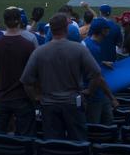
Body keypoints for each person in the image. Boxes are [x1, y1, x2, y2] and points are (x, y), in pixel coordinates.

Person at [20, 13, 112, 141]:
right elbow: (96, 74)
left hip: (49, 104)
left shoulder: (39, 52)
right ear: (66, 28)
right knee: (78, 141)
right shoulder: (79, 49)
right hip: (73, 103)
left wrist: (36, 99)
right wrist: (89, 91)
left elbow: (26, 82)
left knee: (53, 143)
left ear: (51, 29)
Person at [0, 7, 36, 136]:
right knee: (25, 136)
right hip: (22, 97)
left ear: (5, 21)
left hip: (1, 96)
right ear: (19, 21)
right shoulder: (28, 45)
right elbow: (34, 74)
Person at [82, 18, 119, 125]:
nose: (109, 30)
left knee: (107, 120)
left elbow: (89, 62)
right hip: (94, 95)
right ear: (103, 31)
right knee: (96, 127)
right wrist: (112, 98)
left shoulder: (88, 42)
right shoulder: (94, 48)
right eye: (107, 28)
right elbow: (98, 78)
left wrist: (102, 63)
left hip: (99, 93)